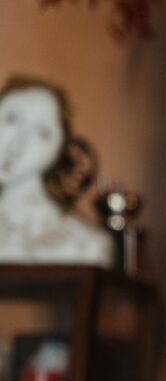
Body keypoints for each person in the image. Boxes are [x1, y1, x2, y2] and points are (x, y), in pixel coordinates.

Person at [0, 76, 111, 265]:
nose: (15, 147)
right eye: (11, 119)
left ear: (58, 151)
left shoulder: (83, 244)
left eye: (42, 133)